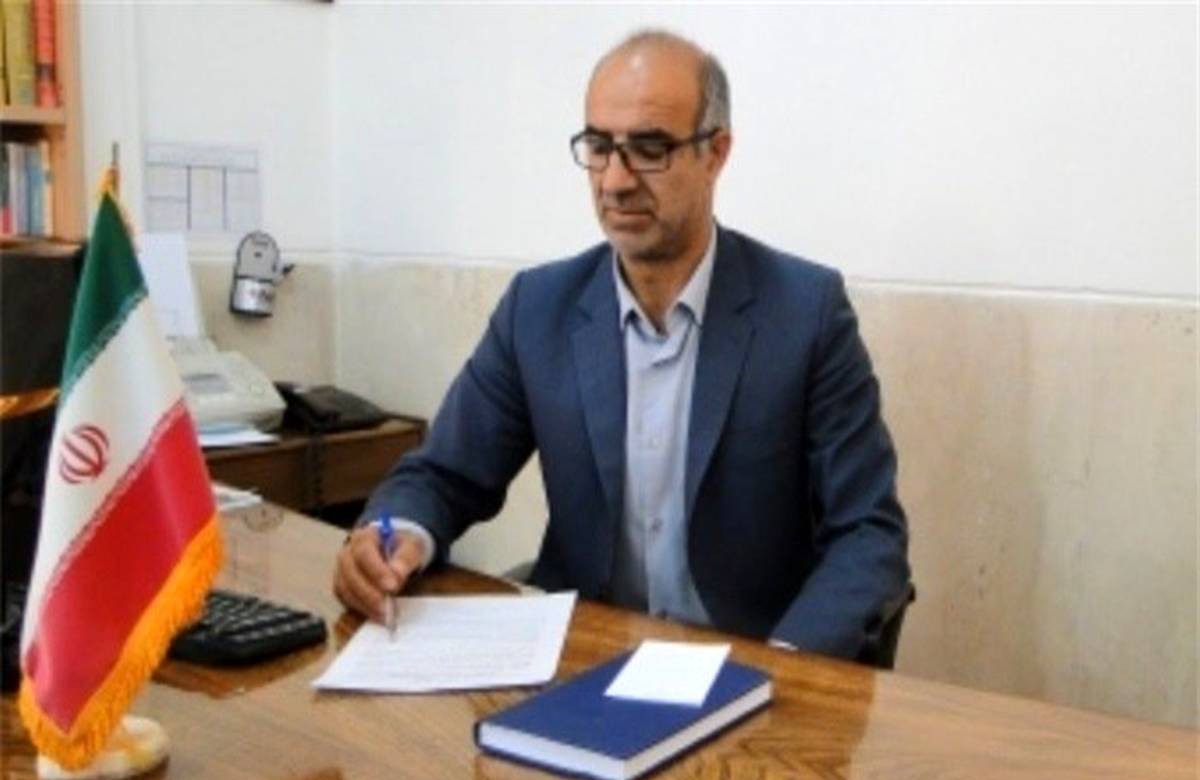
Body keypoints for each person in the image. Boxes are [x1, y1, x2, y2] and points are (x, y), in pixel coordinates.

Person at [333, 29, 910, 661]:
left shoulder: (805, 312)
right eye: (599, 147)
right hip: (583, 659)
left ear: (716, 153)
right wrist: (396, 536)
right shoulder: (538, 309)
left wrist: (781, 668)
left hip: (745, 665)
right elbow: (443, 474)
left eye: (649, 149)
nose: (614, 180)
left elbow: (868, 533)